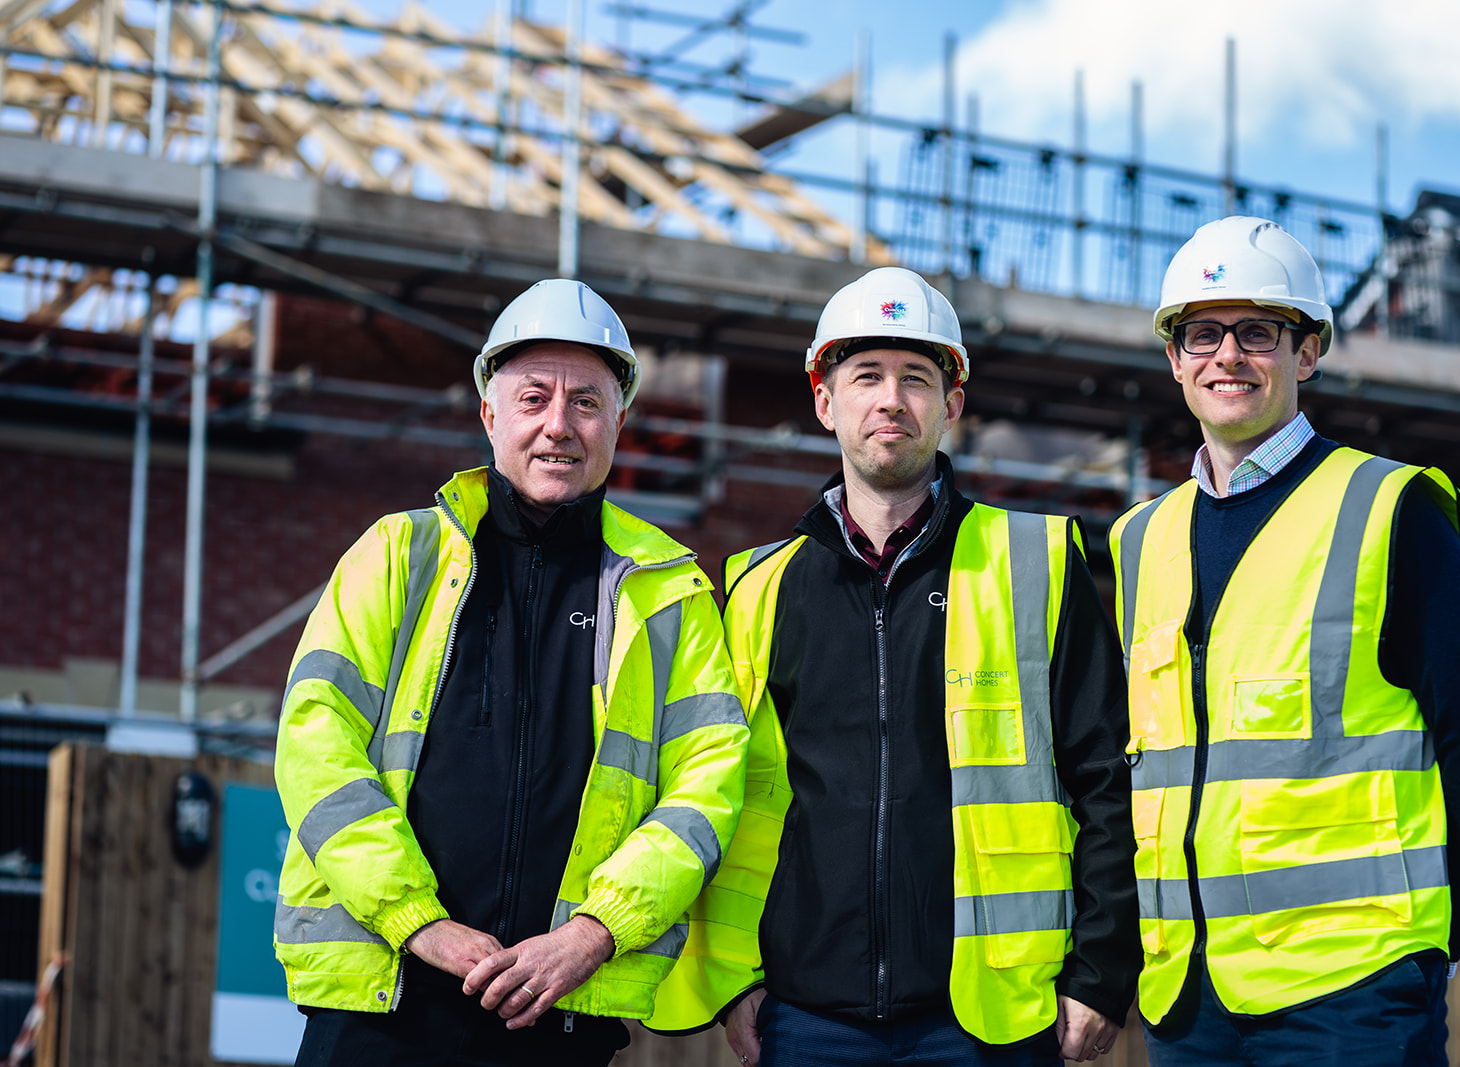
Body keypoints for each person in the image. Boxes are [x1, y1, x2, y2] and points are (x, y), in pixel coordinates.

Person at [647, 266, 1140, 1065]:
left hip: (994, 1015)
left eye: (917, 378)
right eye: (866, 375)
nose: (890, 399)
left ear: (951, 406)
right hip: (807, 1015)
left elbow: (1106, 781)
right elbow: (715, 790)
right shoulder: (756, 586)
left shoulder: (1040, 565)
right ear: (824, 400)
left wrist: (1101, 970)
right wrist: (735, 981)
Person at [273, 279, 749, 1067]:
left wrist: (594, 933)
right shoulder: (398, 556)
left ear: (619, 423)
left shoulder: (669, 593)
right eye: (534, 397)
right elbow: (314, 743)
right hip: (383, 1005)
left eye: (586, 403)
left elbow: (708, 788)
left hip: (560, 1018)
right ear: (490, 415)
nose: (558, 425)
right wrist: (419, 923)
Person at [1111, 216, 1460, 1065]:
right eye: (1201, 334)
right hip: (1189, 1001)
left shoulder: (1390, 509)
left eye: (1257, 331)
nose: (1227, 355)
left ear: (1306, 352)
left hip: (1354, 997)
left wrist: (1427, 941)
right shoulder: (1134, 543)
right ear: (1174, 359)